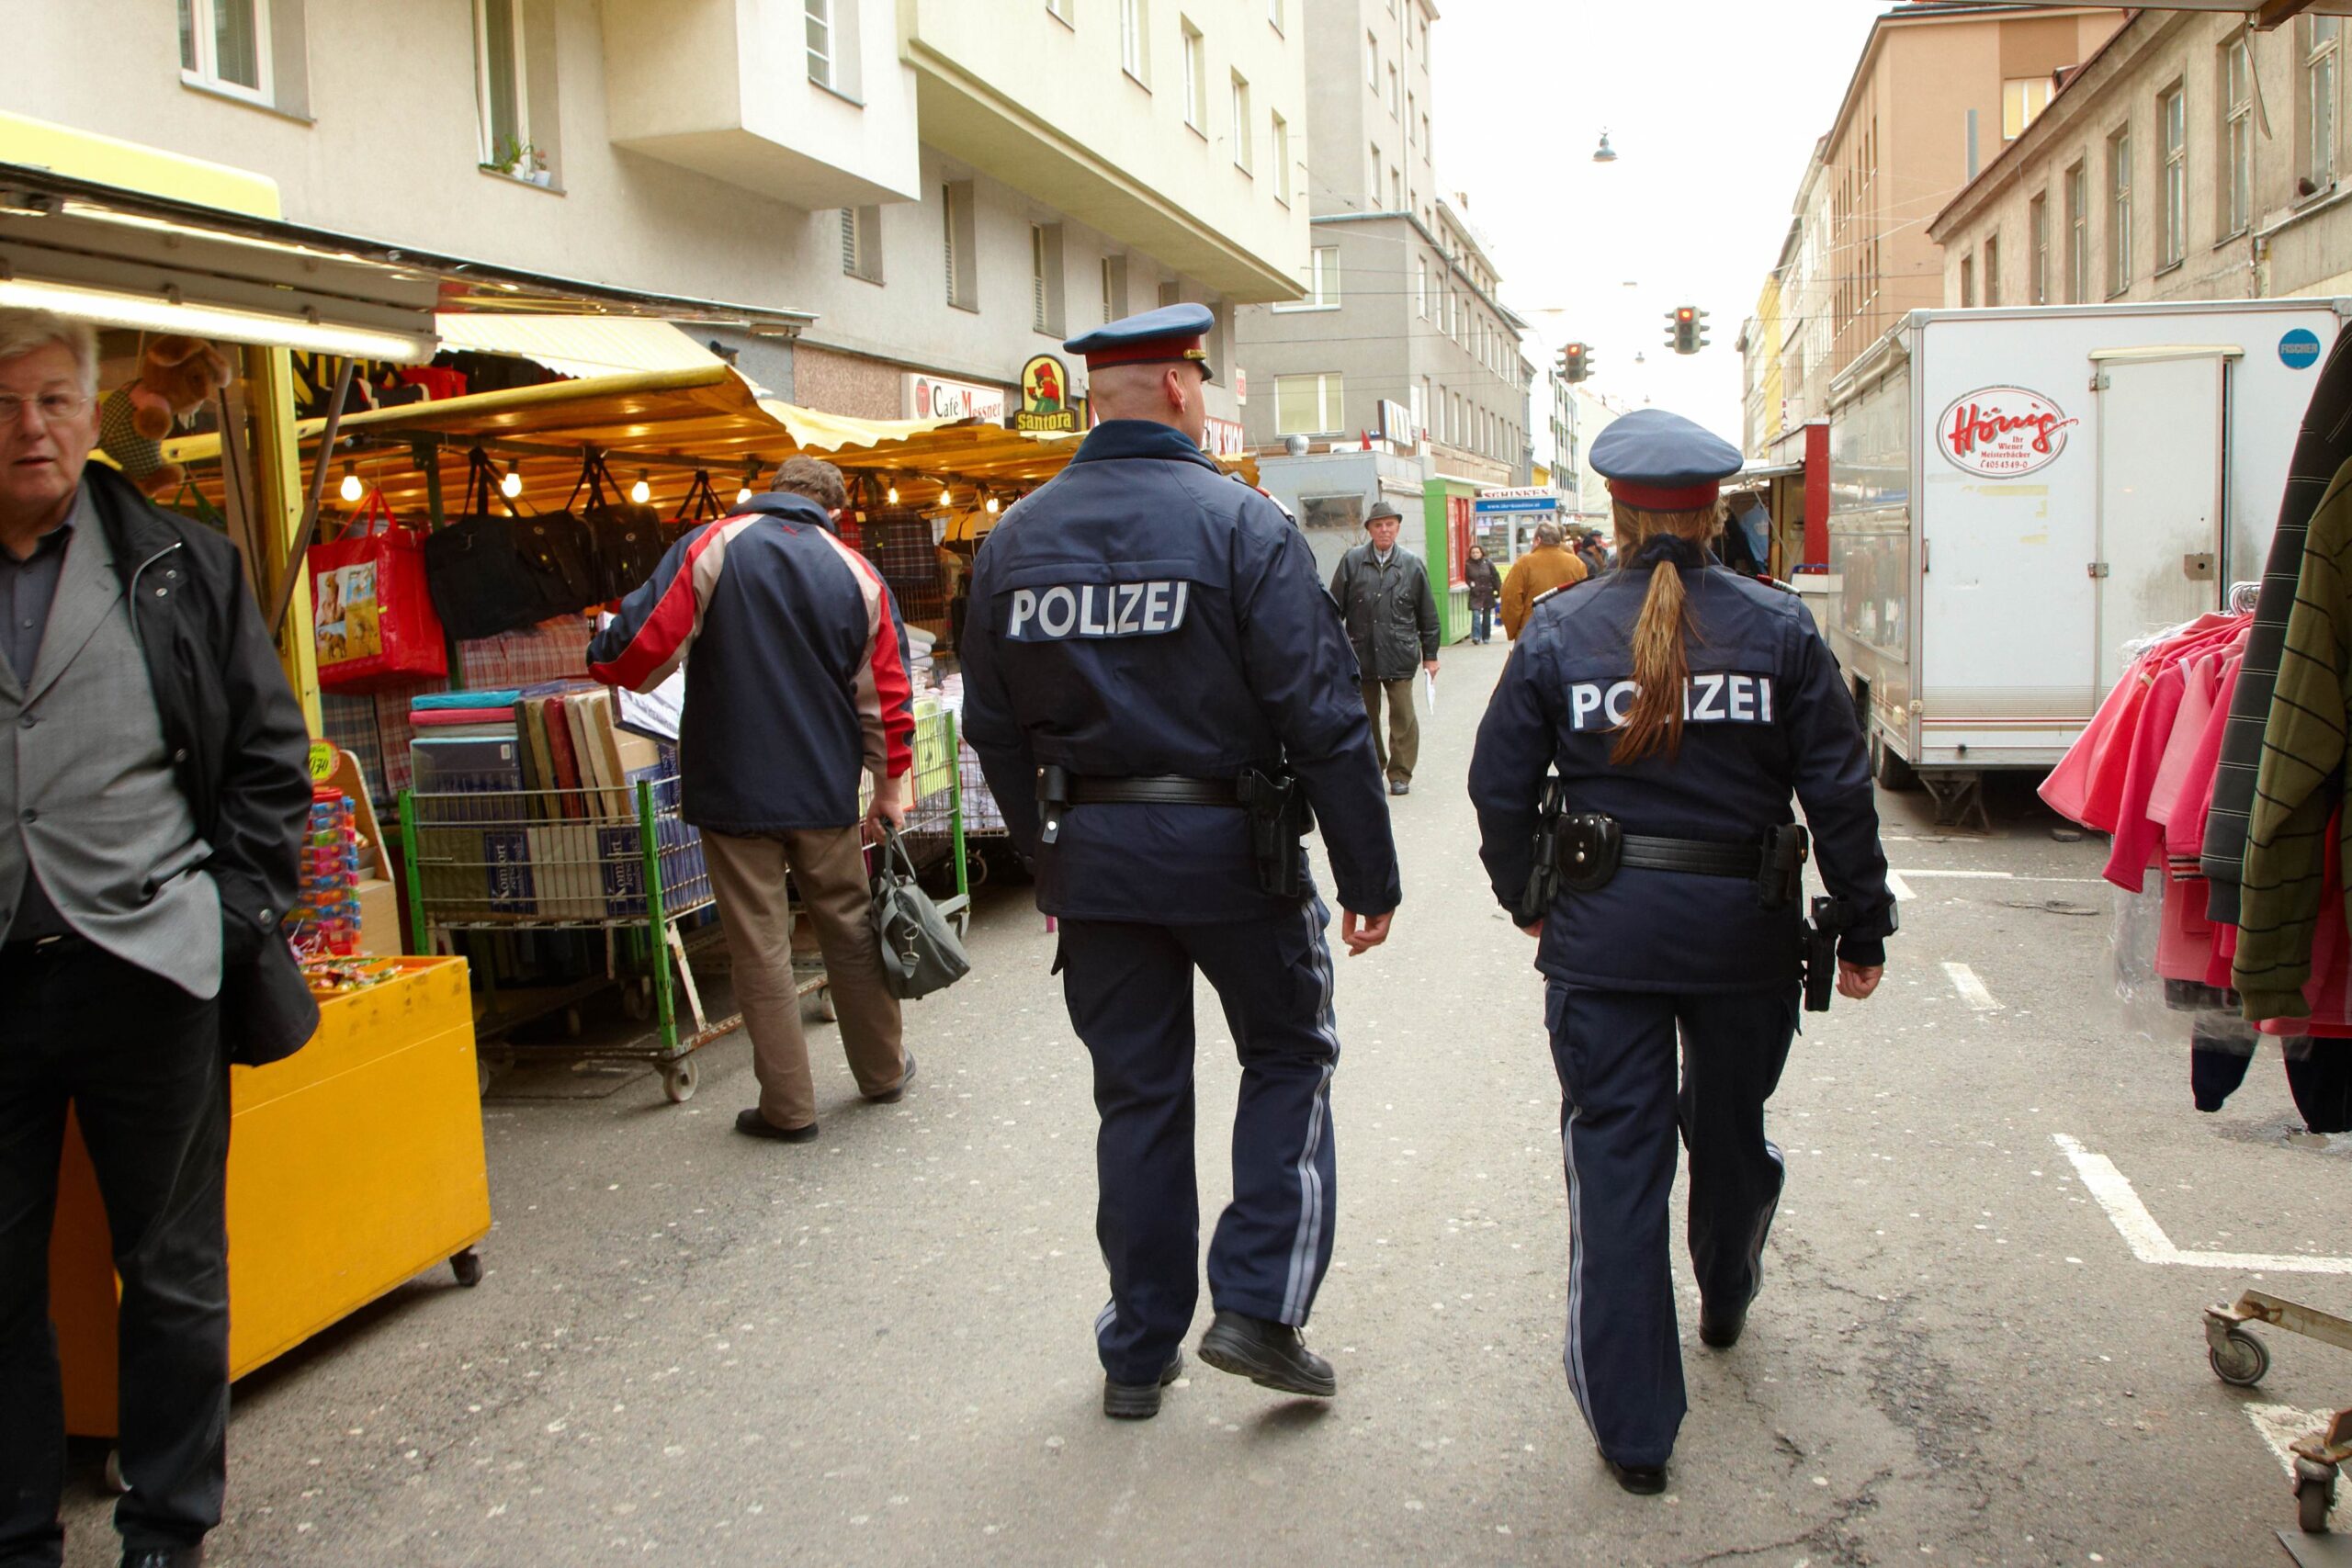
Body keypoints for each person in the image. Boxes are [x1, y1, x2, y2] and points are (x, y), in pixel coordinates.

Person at [960, 303, 1400, 1421]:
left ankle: (1137, 1349)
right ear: (1176, 388)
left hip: (1097, 864)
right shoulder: (1243, 527)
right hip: (1234, 858)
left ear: (1095, 396)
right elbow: (1323, 713)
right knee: (1289, 1054)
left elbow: (995, 731)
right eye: (1200, 381)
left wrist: (1048, 857)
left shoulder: (1014, 540)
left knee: (1138, 1100)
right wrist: (1366, 876)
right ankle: (1256, 1307)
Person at [1466, 408, 1895, 1497]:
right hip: (1741, 935)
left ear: (1614, 513)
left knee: (1615, 1164)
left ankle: (1637, 1432)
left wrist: (1529, 898)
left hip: (1603, 938)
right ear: (1715, 514)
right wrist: (1860, 916)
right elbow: (1837, 788)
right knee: (1730, 1127)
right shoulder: (1779, 628)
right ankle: (1727, 1279)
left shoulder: (1560, 629)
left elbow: (1497, 787)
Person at [0, 309, 316, 1568]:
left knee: (173, 1268)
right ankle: (18, 1529)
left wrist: (234, 918)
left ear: (92, 414)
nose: (27, 426)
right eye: (2, 403)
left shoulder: (183, 562)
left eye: (50, 401)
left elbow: (270, 761)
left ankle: (166, 1526)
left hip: (153, 966)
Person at [590, 454, 916, 1145]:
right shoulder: (857, 572)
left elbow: (639, 654)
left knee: (760, 946)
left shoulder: (713, 545)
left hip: (733, 785)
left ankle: (789, 1108)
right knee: (850, 927)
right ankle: (883, 1071)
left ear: (770, 493)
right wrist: (890, 786)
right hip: (825, 786)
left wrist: (603, 644)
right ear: (835, 511)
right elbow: (884, 694)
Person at [1328, 501, 1440, 795]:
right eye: (1378, 525)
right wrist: (1330, 649)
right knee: (1365, 715)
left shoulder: (1412, 565)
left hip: (1399, 651)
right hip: (1360, 652)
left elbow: (1428, 614)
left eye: (1390, 524)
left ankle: (1400, 773)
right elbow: (1332, 610)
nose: (1384, 530)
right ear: (1369, 529)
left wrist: (1430, 656)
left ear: (1398, 527)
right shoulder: (1352, 561)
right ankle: (1372, 765)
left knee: (1402, 715)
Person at [1498, 520, 1589, 640]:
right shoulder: (1576, 563)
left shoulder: (1524, 563)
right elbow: (1584, 597)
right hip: (1566, 631)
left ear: (1538, 540)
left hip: (1532, 631)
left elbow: (1511, 599)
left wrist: (1514, 631)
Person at [1464, 543, 1502, 645]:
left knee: (1486, 615)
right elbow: (1467, 578)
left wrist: (1499, 590)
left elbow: (1495, 576)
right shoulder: (1468, 564)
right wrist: (1471, 585)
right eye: (1473, 553)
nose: (1475, 554)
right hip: (1475, 593)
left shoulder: (1488, 563)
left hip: (1487, 592)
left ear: (1481, 553)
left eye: (1477, 552)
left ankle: (1486, 636)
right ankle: (1476, 636)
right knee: (1476, 614)